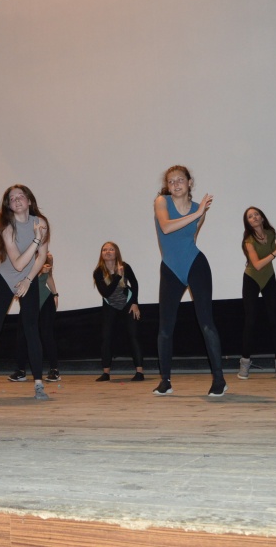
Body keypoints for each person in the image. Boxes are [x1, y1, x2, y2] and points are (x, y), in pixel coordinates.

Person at [153, 165, 227, 397]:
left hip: (196, 264)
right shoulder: (162, 201)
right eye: (171, 181)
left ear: (189, 182)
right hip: (170, 268)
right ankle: (165, 381)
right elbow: (166, 227)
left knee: (206, 323)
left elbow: (191, 238)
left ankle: (219, 379)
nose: (176, 184)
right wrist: (198, 213)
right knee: (165, 327)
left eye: (180, 180)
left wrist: (199, 212)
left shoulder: (198, 209)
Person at [0, 185, 51, 401]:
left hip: (29, 278)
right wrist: (36, 240)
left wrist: (28, 280)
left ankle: (38, 384)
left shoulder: (40, 222)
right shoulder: (7, 227)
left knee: (31, 329)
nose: (17, 200)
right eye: (12, 198)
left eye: (21, 196)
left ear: (29, 200)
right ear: (8, 205)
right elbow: (17, 264)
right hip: (6, 278)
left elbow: (42, 257)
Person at [238, 207, 276, 380]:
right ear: (248, 222)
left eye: (256, 214)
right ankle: (245, 362)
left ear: (262, 217)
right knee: (250, 320)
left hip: (269, 277)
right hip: (252, 278)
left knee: (275, 318)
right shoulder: (248, 241)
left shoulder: (271, 233)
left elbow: (267, 261)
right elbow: (257, 265)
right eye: (250, 217)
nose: (254, 217)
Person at [92, 242, 145, 382]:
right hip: (110, 305)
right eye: (104, 250)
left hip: (128, 303)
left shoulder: (124, 267)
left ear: (116, 253)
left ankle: (139, 372)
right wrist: (117, 276)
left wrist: (135, 303)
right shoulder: (98, 272)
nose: (108, 252)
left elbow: (135, 283)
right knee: (106, 337)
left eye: (111, 249)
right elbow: (106, 293)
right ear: (101, 254)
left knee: (133, 335)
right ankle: (106, 373)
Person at [7, 252, 60, 383]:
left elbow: (48, 277)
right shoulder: (21, 260)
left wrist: (55, 294)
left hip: (45, 301)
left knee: (47, 334)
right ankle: (21, 371)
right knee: (22, 336)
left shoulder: (45, 258)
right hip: (28, 303)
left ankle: (54, 370)